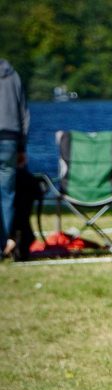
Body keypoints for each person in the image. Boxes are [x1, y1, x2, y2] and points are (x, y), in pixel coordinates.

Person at [0, 59, 29, 260]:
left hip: (10, 138)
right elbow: (24, 113)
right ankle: (3, 243)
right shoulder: (12, 75)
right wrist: (22, 147)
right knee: (7, 194)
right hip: (10, 138)